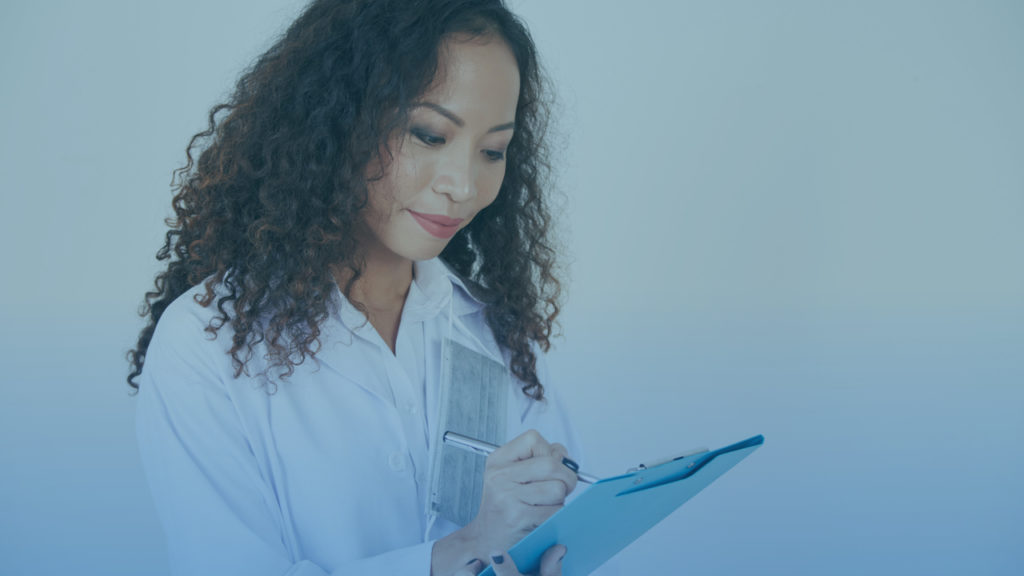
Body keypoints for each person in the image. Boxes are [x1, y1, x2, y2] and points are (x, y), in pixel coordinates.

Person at [128, 1, 596, 575]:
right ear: (338, 119)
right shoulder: (206, 346)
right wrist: (451, 556)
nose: (463, 185)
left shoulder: (495, 335)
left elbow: (557, 544)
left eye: (493, 150)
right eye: (429, 135)